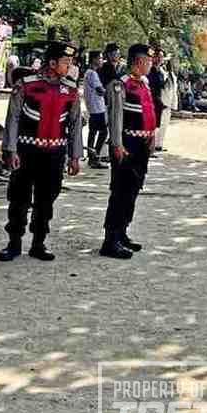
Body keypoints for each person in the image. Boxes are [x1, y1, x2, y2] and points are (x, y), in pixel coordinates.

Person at [0, 41, 82, 262]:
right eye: (65, 62)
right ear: (52, 63)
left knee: (47, 199)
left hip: (54, 154)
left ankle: (38, 243)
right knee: (19, 198)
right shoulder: (26, 84)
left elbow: (74, 123)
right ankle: (14, 243)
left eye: (71, 61)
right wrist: (10, 149)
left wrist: (74, 156)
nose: (69, 66)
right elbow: (13, 117)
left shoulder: (71, 89)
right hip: (26, 151)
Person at [100, 43, 156, 259]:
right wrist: (116, 144)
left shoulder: (144, 84)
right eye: (148, 61)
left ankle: (122, 232)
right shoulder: (120, 85)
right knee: (120, 192)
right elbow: (115, 118)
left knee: (133, 190)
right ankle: (110, 239)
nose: (151, 64)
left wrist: (151, 135)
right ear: (138, 62)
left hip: (141, 146)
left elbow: (148, 112)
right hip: (127, 145)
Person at [84, 51, 108, 168]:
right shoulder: (92, 74)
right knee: (103, 132)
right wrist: (108, 92)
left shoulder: (89, 73)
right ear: (94, 59)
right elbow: (99, 90)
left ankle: (91, 156)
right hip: (97, 108)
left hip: (93, 107)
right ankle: (95, 156)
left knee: (93, 132)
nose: (102, 60)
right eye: (100, 58)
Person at [155, 55, 178, 151]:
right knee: (159, 124)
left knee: (165, 125)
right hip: (162, 103)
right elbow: (161, 87)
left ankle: (160, 144)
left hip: (168, 103)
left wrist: (174, 104)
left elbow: (174, 91)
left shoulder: (172, 75)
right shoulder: (162, 73)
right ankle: (155, 144)